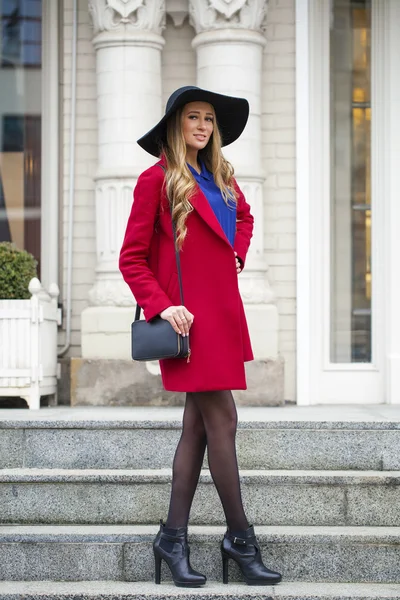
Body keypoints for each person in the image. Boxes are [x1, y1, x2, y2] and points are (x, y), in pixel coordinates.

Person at [119, 86, 282, 588]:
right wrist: (163, 305)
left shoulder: (221, 177)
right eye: (194, 117)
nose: (203, 126)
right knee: (224, 420)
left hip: (223, 316)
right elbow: (131, 258)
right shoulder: (156, 181)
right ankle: (239, 537)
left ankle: (173, 537)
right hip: (187, 323)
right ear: (176, 123)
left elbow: (246, 218)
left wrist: (238, 250)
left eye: (209, 119)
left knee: (197, 429)